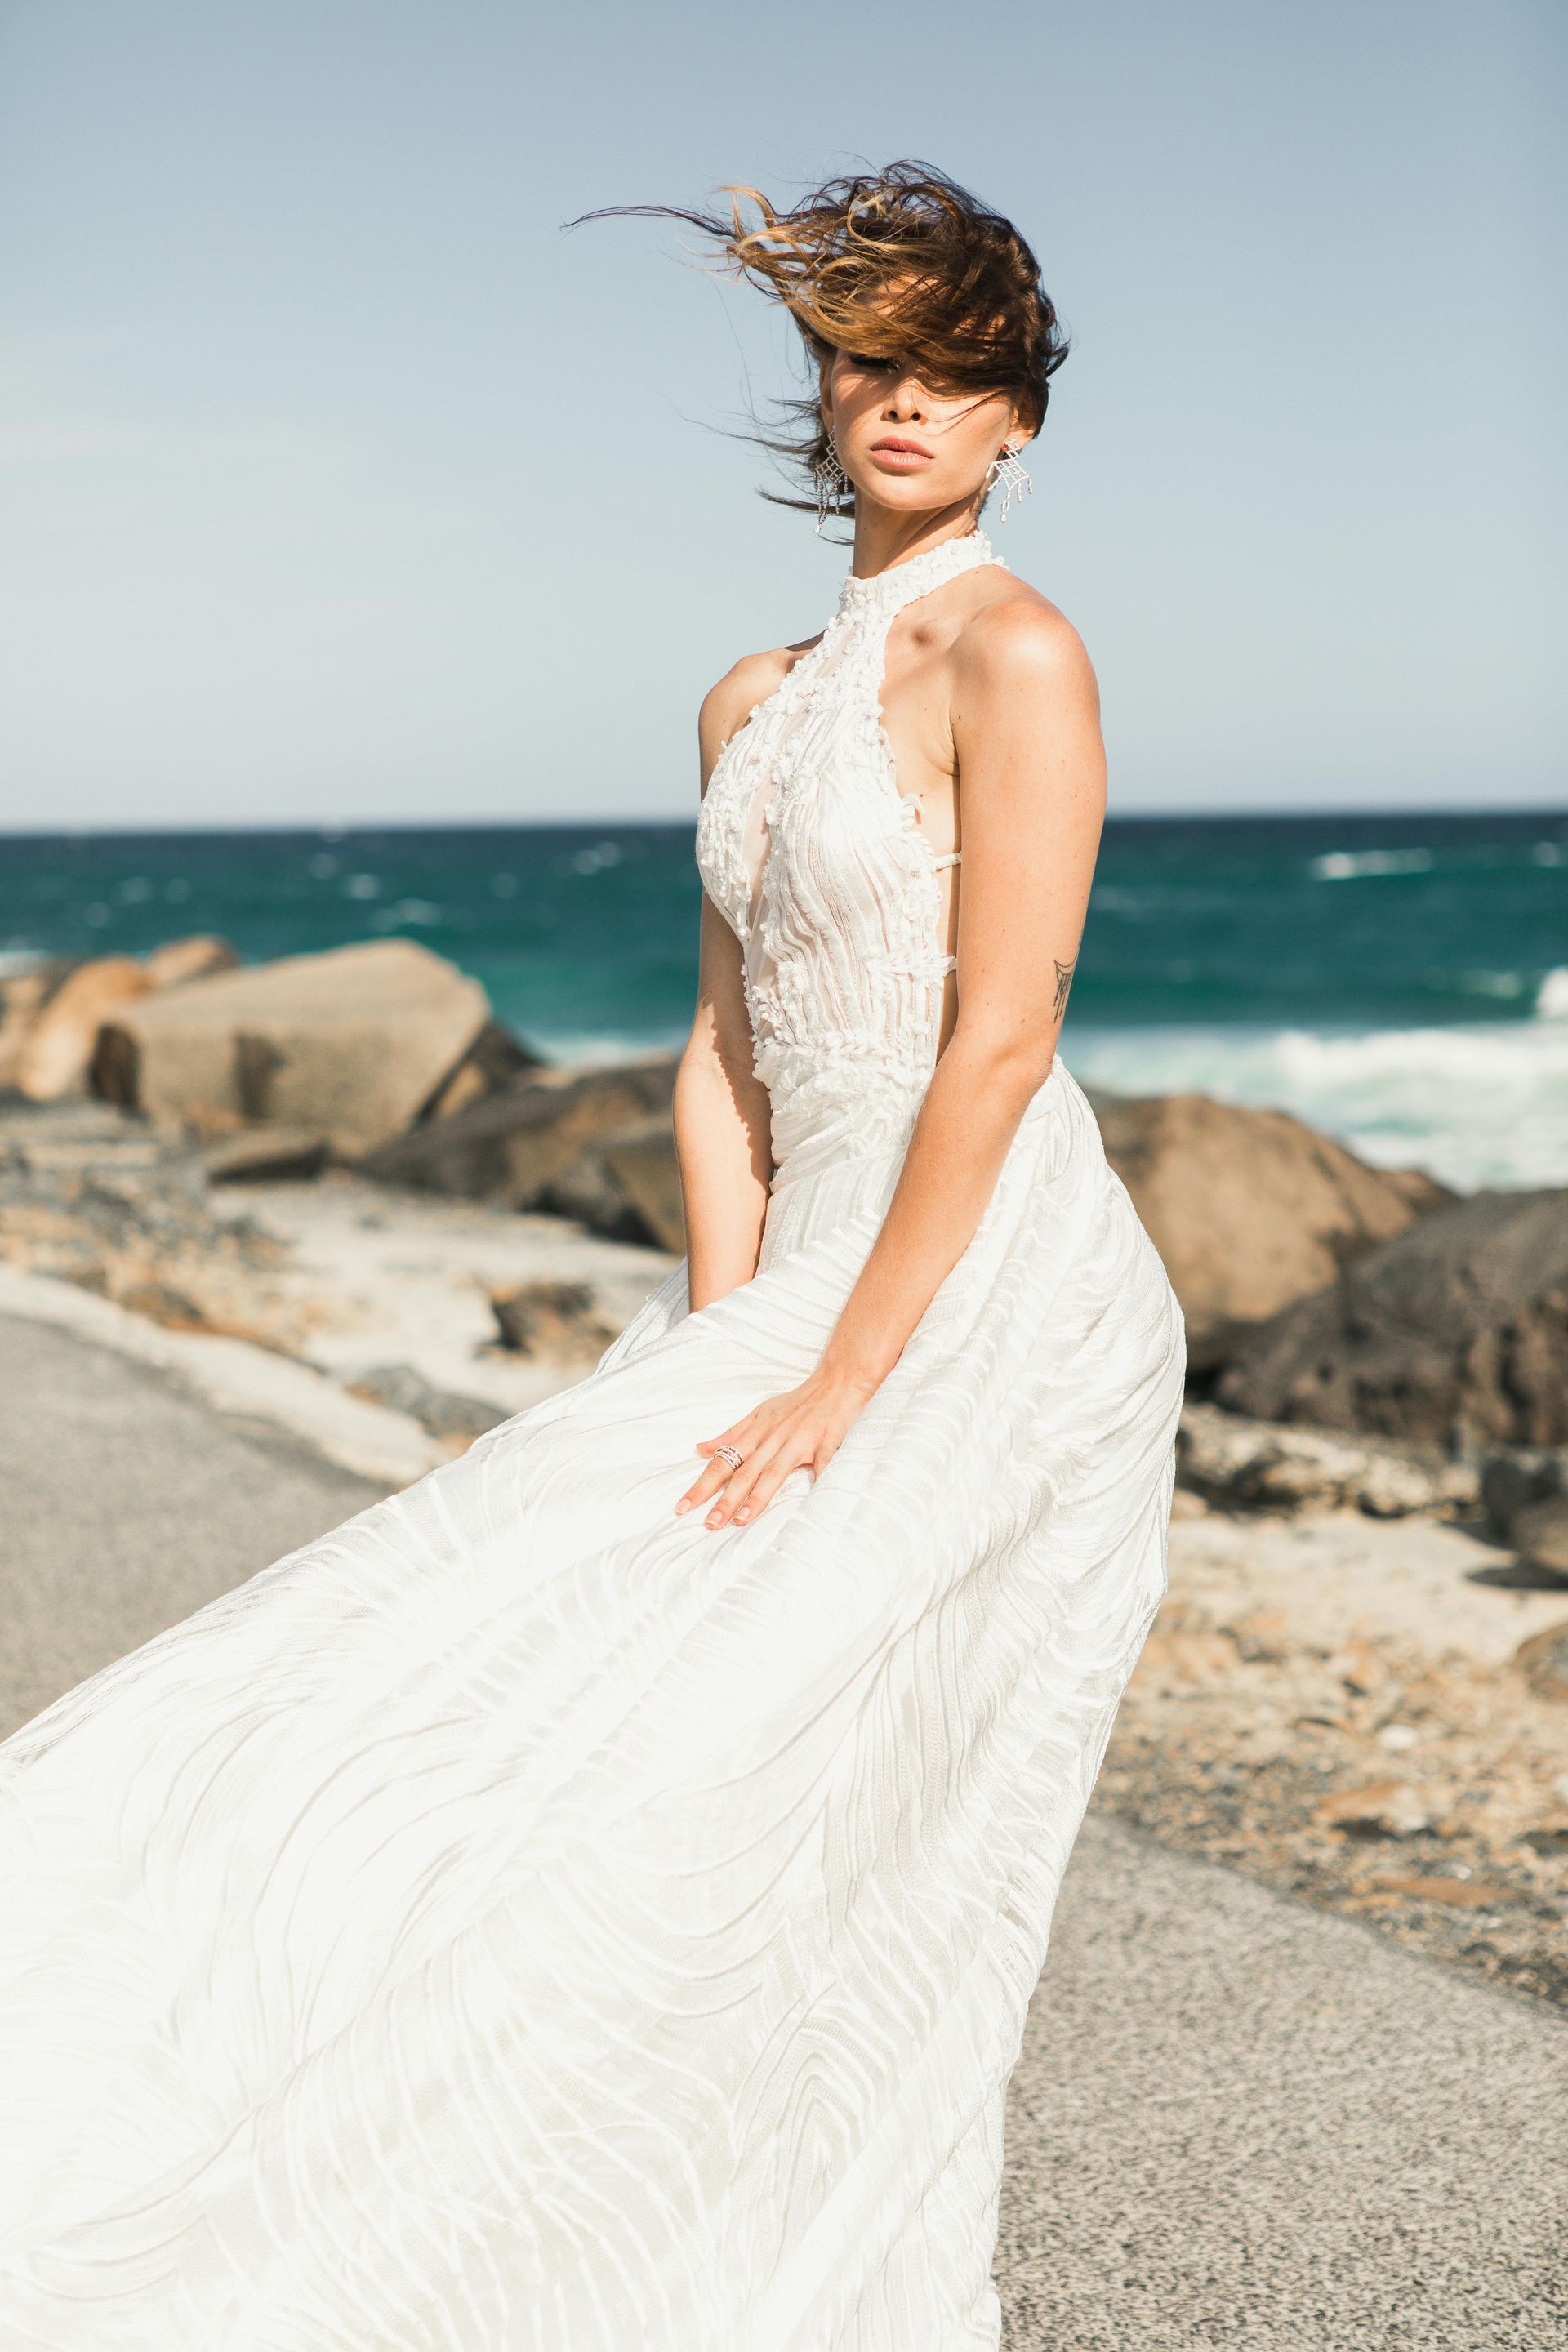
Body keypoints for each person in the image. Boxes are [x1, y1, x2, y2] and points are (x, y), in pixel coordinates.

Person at [0, 162, 1183, 2349]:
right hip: (789, 1276)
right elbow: (724, 1063)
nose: (903, 398)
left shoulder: (1020, 651)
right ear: (823, 395)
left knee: (752, 1780)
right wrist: (732, 1341)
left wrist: (843, 1382)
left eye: (953, 366)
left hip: (995, 1292)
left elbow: (1002, 1042)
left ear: (1020, 415)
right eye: (865, 357)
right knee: (495, 1686)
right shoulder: (750, 700)